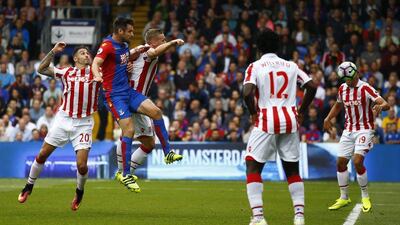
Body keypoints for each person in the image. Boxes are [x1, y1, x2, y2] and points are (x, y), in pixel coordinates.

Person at [91, 17, 182, 192]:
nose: (133, 34)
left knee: (156, 113)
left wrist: (127, 66)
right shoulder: (108, 45)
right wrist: (96, 75)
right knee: (129, 131)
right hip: (115, 95)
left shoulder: (125, 46)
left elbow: (125, 60)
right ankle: (124, 173)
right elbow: (97, 62)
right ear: (120, 31)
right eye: (130, 31)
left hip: (129, 92)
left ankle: (168, 153)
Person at [243, 29, 316, 225]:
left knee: (252, 165)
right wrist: (301, 111)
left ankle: (258, 218)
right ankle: (299, 216)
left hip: (267, 120)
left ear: (258, 48)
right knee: (292, 170)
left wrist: (252, 112)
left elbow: (246, 92)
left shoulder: (255, 66)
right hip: (290, 121)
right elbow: (312, 85)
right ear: (278, 46)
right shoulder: (291, 65)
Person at [17, 42, 100, 211]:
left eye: (88, 53)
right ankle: (28, 186)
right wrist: (53, 51)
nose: (87, 55)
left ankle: (79, 191)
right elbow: (41, 68)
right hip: (63, 120)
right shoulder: (66, 72)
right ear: (75, 58)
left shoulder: (96, 73)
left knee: (82, 165)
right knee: (42, 155)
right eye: (83, 53)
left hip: (83, 123)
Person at [114, 28, 184, 192]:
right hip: (130, 95)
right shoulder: (146, 49)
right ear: (152, 42)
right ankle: (168, 153)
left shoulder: (141, 52)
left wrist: (126, 67)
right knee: (156, 113)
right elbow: (122, 59)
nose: (164, 42)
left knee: (149, 143)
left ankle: (125, 173)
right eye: (162, 40)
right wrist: (173, 43)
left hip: (139, 97)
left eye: (166, 39)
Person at [324, 62, 389, 213]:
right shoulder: (342, 89)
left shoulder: (365, 88)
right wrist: (328, 118)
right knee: (340, 163)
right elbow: (338, 105)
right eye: (345, 79)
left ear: (356, 74)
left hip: (364, 130)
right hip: (348, 130)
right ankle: (344, 197)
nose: (348, 82)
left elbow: (384, 103)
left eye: (350, 79)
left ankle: (365, 196)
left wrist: (381, 106)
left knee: (357, 161)